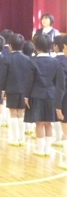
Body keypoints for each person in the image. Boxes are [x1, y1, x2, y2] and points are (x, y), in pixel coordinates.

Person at [25, 33, 60, 157]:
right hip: (51, 95)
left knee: (39, 123)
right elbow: (57, 81)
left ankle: (40, 149)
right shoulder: (55, 62)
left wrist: (26, 96)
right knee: (49, 123)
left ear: (35, 46)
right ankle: (47, 149)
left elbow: (29, 81)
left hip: (36, 94)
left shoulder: (32, 61)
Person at [3, 33, 30, 146]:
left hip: (11, 89)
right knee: (21, 114)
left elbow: (4, 76)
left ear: (10, 46)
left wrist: (3, 90)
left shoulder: (7, 58)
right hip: (24, 90)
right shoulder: (27, 59)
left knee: (13, 114)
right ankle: (21, 138)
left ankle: (14, 139)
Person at [54, 35, 67, 169]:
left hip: (65, 101)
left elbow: (61, 87)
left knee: (66, 133)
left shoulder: (62, 64)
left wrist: (58, 106)